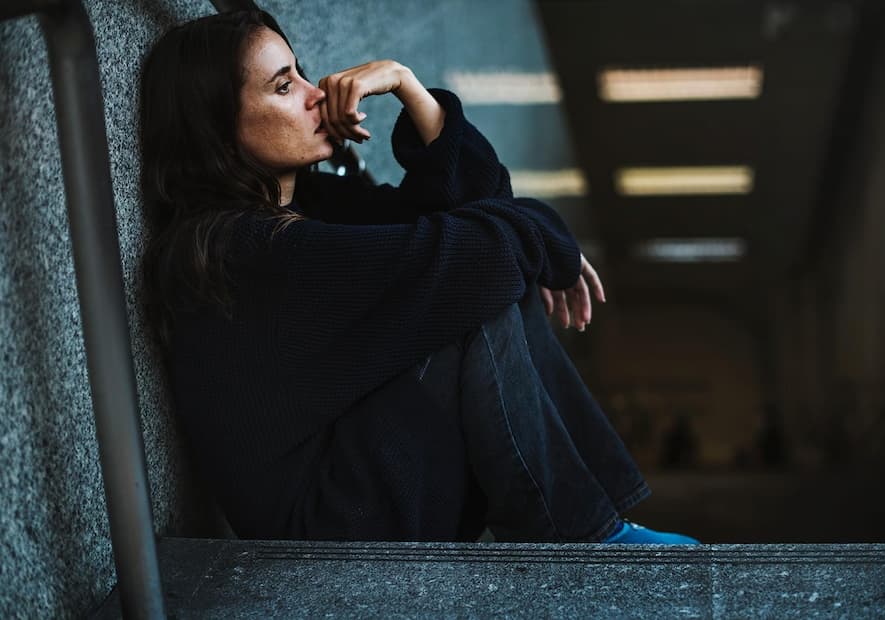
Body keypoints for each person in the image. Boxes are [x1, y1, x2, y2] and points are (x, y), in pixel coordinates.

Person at [139, 9, 698, 545]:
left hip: (363, 489)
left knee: (470, 272)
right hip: (326, 529)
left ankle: (587, 529)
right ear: (216, 126)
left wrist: (410, 87)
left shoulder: (311, 206)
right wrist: (546, 237)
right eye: (284, 87)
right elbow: (477, 256)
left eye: (303, 72)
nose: (317, 94)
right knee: (468, 286)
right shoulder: (243, 250)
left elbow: (474, 203)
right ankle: (580, 537)